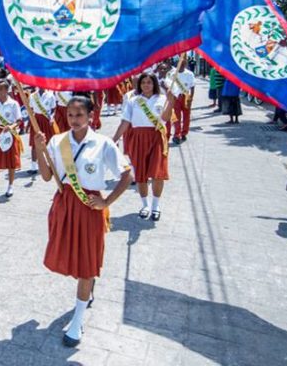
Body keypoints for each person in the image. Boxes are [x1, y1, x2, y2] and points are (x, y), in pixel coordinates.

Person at [33, 95, 132, 347]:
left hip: (89, 208)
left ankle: (77, 320)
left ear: (91, 116)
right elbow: (46, 176)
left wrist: (106, 202)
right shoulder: (57, 141)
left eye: (79, 115)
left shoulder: (103, 143)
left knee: (87, 262)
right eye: (70, 114)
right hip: (64, 206)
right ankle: (88, 289)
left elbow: (126, 175)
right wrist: (40, 150)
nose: (74, 119)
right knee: (71, 257)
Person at [112, 74, 174, 222]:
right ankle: (145, 205)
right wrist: (114, 139)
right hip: (138, 138)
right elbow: (125, 122)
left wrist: (171, 101)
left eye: (149, 82)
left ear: (154, 84)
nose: (146, 85)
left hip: (157, 138)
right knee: (141, 174)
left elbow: (165, 119)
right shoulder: (133, 101)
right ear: (139, 85)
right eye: (143, 82)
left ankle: (155, 206)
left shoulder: (162, 99)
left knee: (158, 173)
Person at [0, 79, 23, 201]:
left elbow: (19, 121)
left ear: (7, 90)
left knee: (11, 162)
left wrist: (11, 127)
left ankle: (10, 186)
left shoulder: (13, 104)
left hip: (10, 135)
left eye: (1, 89)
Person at [27, 88, 57, 175]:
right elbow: (31, 109)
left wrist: (52, 118)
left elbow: (53, 109)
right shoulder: (32, 96)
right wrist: (30, 122)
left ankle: (52, 165)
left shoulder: (50, 95)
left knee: (49, 142)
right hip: (36, 120)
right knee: (34, 143)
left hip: (47, 120)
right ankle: (33, 167)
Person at [167, 61, 196, 144]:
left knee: (186, 116)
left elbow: (192, 86)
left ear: (185, 64)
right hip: (176, 97)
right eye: (180, 64)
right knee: (176, 116)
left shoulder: (189, 74)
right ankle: (177, 134)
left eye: (183, 64)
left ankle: (184, 133)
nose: (181, 65)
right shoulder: (172, 74)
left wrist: (191, 98)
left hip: (186, 96)